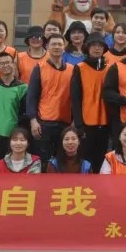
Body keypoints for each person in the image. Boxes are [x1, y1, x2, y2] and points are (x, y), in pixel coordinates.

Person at [27, 30, 75, 167]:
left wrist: (75, 121)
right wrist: (33, 120)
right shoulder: (39, 68)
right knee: (44, 161)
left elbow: (76, 98)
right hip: (44, 122)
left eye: (60, 44)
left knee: (63, 161)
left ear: (64, 47)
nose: (57, 47)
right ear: (47, 47)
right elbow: (32, 96)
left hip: (65, 123)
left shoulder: (72, 70)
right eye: (53, 44)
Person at [70, 32, 112, 171]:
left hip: (105, 122)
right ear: (87, 48)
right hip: (86, 122)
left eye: (100, 45)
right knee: (85, 160)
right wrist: (79, 124)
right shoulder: (80, 67)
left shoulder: (110, 68)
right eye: (93, 45)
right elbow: (75, 98)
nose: (97, 48)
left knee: (101, 159)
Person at [0, 50, 28, 161]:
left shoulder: (23, 88)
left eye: (8, 62)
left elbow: (24, 114)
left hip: (12, 135)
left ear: (13, 65)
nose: (5, 65)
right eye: (2, 63)